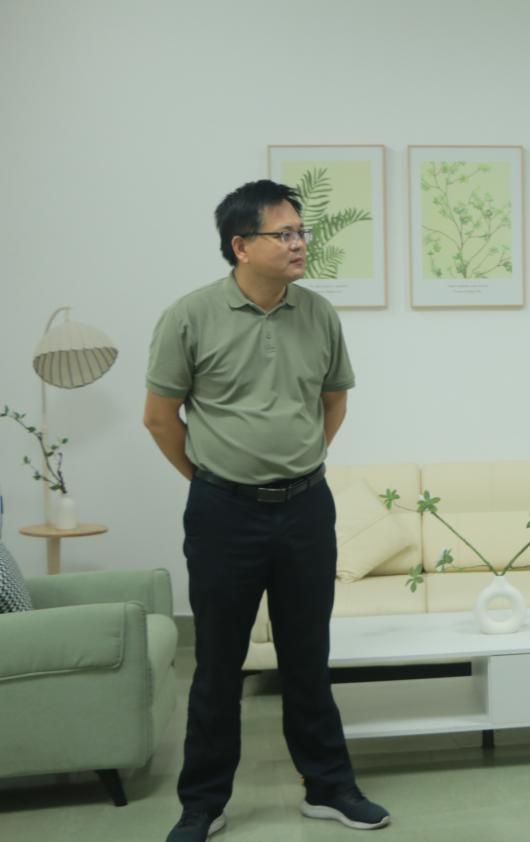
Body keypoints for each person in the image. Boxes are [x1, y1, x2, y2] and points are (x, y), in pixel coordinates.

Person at [144, 180, 389, 841]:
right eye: (284, 234)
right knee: (218, 662)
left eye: (301, 232)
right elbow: (160, 418)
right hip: (223, 514)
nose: (300, 243)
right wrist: (214, 480)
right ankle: (203, 803)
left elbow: (334, 401)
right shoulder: (190, 316)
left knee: (308, 655)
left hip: (306, 508)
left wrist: (296, 465)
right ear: (241, 246)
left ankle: (329, 787)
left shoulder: (318, 314)